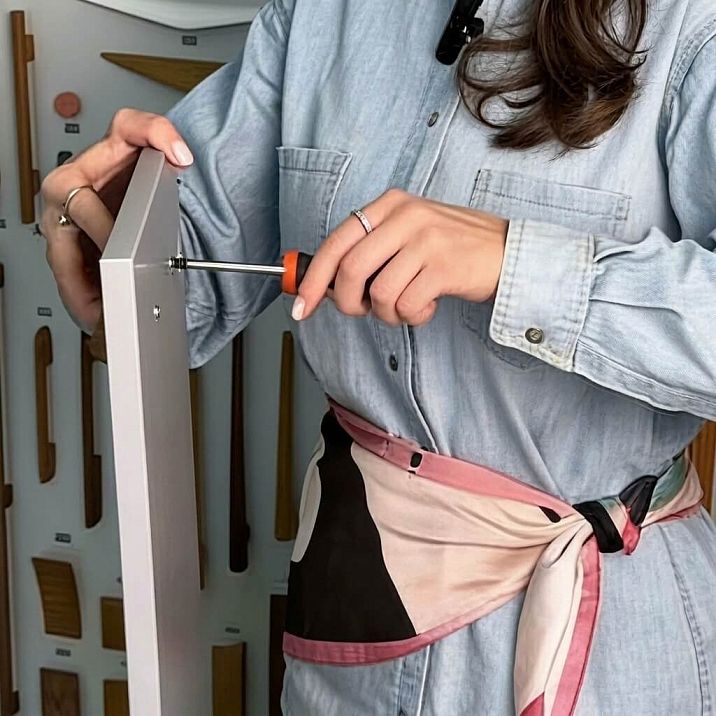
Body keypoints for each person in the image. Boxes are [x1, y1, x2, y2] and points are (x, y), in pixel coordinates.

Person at [40, 0, 716, 714]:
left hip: (613, 651)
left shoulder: (694, 23)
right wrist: (108, 234)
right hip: (350, 634)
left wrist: (512, 262)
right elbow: (183, 295)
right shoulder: (317, 13)